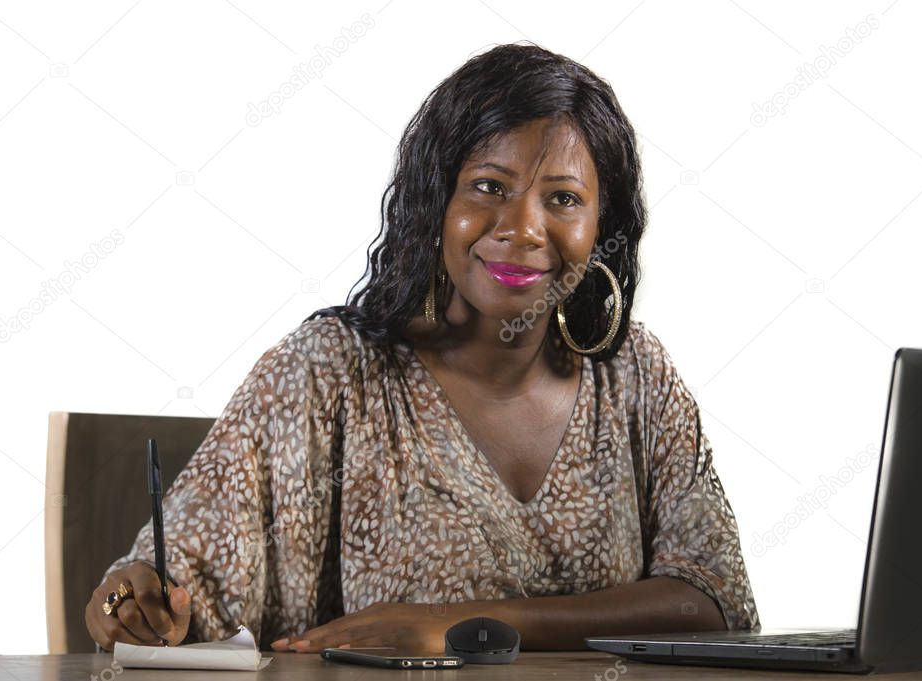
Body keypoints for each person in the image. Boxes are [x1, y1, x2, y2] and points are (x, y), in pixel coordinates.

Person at [85, 42, 760, 654]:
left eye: (562, 198)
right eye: (489, 187)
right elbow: (183, 592)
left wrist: (467, 625)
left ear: (600, 225)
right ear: (434, 200)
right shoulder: (327, 374)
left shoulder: (633, 375)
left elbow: (714, 600)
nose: (523, 229)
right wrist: (134, 601)